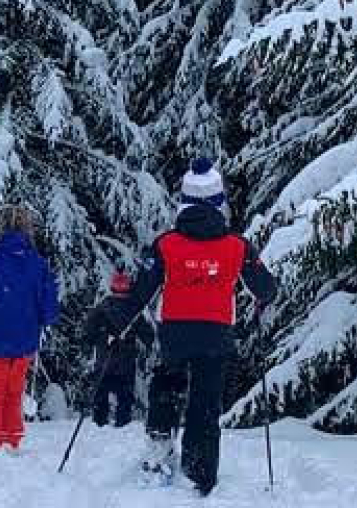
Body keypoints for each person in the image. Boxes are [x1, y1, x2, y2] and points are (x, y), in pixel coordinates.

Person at [114, 157, 277, 497]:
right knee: (205, 399)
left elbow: (142, 289)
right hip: (216, 332)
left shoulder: (166, 244)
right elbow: (265, 289)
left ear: (184, 201)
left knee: (167, 385)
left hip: (175, 328)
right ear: (220, 202)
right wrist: (261, 289)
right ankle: (200, 471)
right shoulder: (237, 246)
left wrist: (118, 323)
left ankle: (159, 452)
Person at [0, 206, 59, 456]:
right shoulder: (38, 264)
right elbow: (49, 303)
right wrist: (43, 318)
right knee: (14, 391)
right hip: (25, 336)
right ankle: (11, 439)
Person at [83, 269, 154, 428]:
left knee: (103, 393)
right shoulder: (133, 310)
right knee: (124, 395)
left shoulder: (103, 308)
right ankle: (120, 422)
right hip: (123, 361)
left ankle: (100, 422)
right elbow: (147, 334)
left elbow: (88, 331)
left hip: (107, 360)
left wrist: (96, 339)